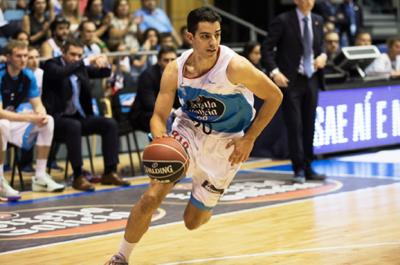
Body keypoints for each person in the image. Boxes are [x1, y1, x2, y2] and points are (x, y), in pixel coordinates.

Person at [105, 6, 282, 264]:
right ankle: (121, 256)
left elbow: (275, 96)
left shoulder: (235, 67)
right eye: (206, 36)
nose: (213, 42)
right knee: (151, 196)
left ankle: (205, 196)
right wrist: (162, 140)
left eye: (217, 35)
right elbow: (157, 117)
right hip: (187, 130)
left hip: (226, 144)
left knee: (192, 222)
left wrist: (249, 138)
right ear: (190, 37)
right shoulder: (175, 69)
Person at [41, 38, 130, 191]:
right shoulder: (51, 65)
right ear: (62, 52)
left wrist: (104, 61)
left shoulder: (79, 67)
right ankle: (78, 176)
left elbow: (104, 72)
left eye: (79, 55)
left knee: (109, 124)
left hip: (80, 117)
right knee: (73, 126)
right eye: (72, 54)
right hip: (57, 119)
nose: (76, 58)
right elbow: (60, 73)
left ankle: (109, 172)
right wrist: (84, 61)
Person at [262, 0, 327, 183]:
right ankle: (298, 168)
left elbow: (320, 47)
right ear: (296, 1)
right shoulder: (283, 20)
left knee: (309, 125)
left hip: (312, 79)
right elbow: (266, 49)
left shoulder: (318, 20)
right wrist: (275, 72)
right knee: (295, 125)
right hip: (291, 81)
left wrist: (323, 56)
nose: (308, 1)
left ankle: (308, 166)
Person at [0, 40, 65, 201]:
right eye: (18, 56)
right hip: (3, 120)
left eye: (25, 56)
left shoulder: (28, 75)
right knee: (2, 124)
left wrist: (40, 114)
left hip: (12, 119)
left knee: (48, 121)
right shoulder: (1, 75)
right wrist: (30, 117)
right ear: (8, 57)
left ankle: (40, 176)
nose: (23, 60)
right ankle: (0, 180)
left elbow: (38, 104)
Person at [128, 45, 179, 133]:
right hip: (144, 114)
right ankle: (163, 146)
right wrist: (173, 111)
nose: (170, 63)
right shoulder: (147, 75)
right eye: (166, 60)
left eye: (173, 60)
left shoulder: (181, 74)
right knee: (164, 118)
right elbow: (149, 104)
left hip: (170, 112)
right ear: (159, 61)